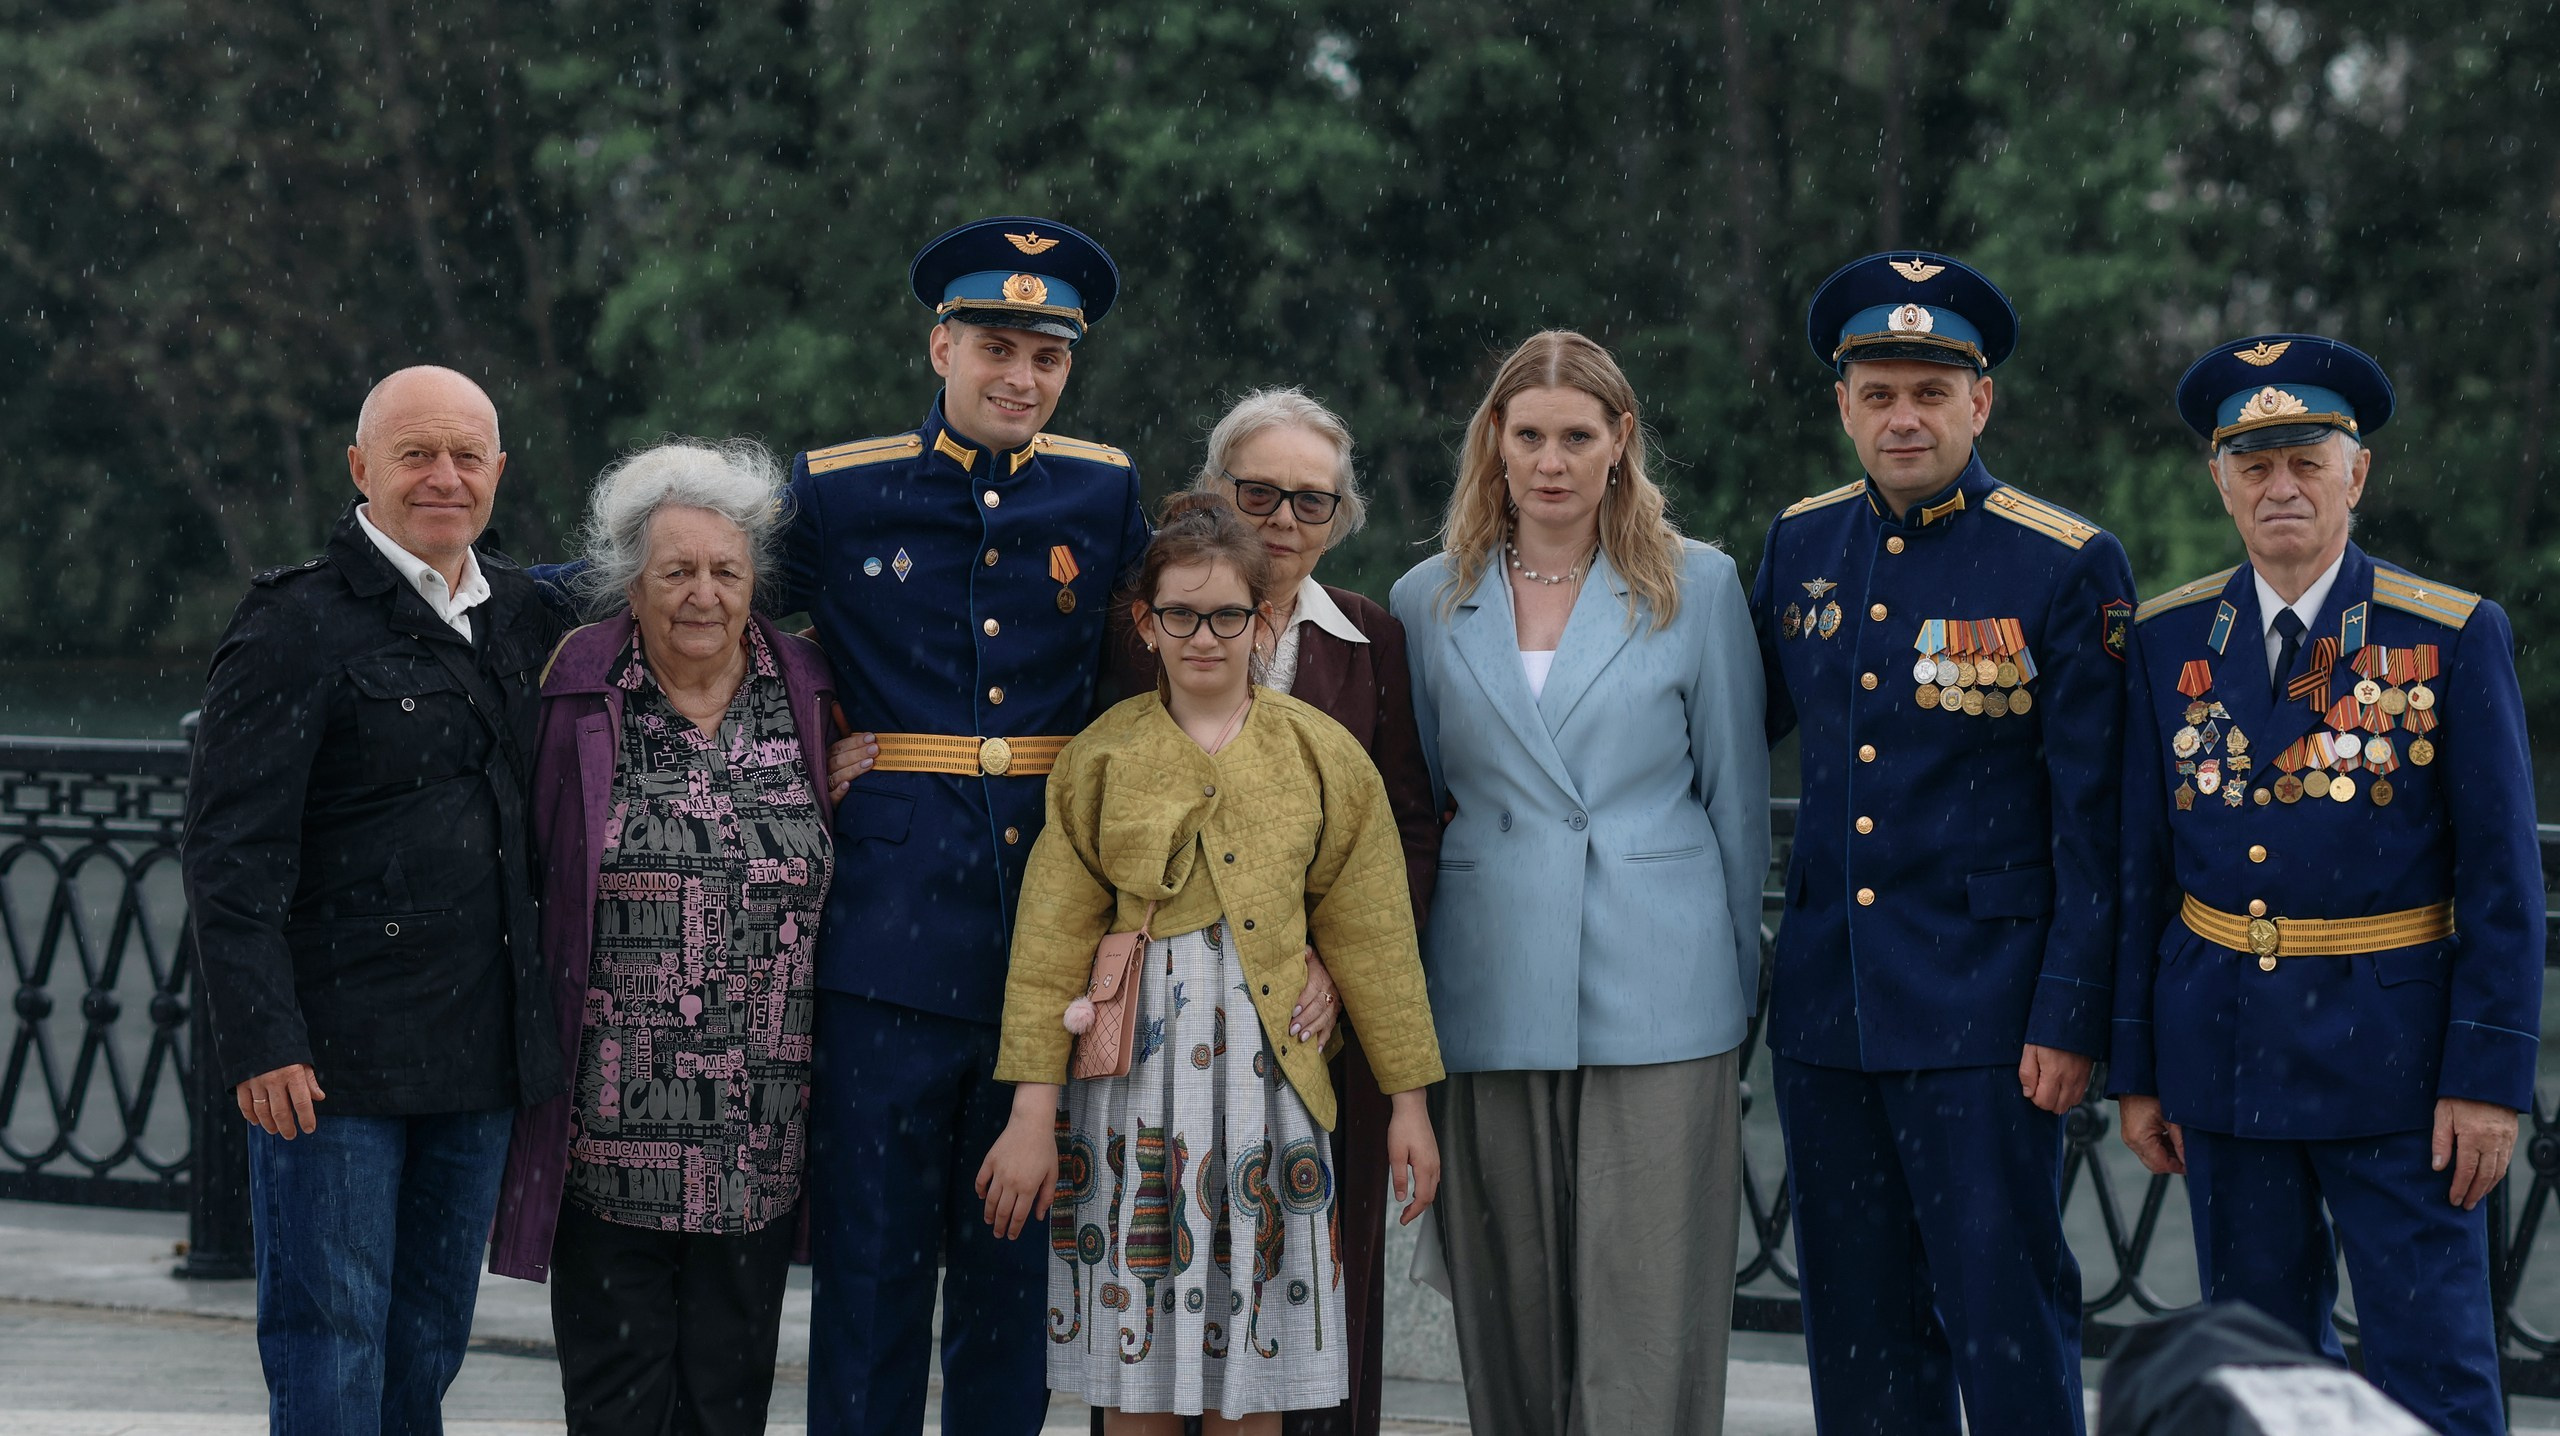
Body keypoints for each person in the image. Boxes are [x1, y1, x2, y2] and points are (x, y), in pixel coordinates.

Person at [2111, 334, 2543, 1436]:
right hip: (2225, 1055)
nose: (2280, 486)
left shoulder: (2444, 632)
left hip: (2397, 1070)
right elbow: (2140, 867)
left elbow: (2500, 877)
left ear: (2357, 472)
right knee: (2254, 1373)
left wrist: (2490, 1076)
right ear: (2218, 479)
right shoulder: (2165, 639)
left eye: (2307, 460)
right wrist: (2138, 1064)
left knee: (2433, 1366)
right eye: (2252, 464)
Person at [773, 216, 1154, 1436]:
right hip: (883, 934)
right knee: (872, 1274)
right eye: (995, 347)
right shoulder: (837, 490)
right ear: (940, 345)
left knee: (1012, 1285)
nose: (1020, 378)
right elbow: (737, 647)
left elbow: (1142, 683)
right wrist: (810, 733)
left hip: (1042, 932)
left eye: (1046, 359)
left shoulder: (1103, 492)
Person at [1752, 253, 2135, 1435]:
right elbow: (1717, 734)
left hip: (1988, 1014)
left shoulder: (2062, 561)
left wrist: (2069, 1016)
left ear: (1981, 401)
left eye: (1930, 389)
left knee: (2002, 1308)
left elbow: (2097, 821)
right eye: (1878, 392)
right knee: (1857, 1323)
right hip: (1829, 1005)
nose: (1903, 415)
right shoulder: (1800, 545)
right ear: (1843, 406)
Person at [983, 495, 1446, 1435]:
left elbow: (1376, 936)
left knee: (1254, 1381)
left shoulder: (1322, 755)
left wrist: (1408, 1106)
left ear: (1264, 622)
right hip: (1129, 1106)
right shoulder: (1099, 760)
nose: (1206, 636)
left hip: (1267, 1104)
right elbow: (1047, 951)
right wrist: (1033, 1110)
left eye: (1229, 615)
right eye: (1181, 615)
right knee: (1136, 1378)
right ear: (1146, 626)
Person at [1388, 329, 1769, 1435]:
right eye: (1529, 435)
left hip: (1662, 980)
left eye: (1577, 435)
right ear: (1494, 446)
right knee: (1507, 1314)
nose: (1551, 460)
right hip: (1488, 973)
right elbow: (1419, 802)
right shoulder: (1425, 598)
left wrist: (1731, 989)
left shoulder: (1696, 586)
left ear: (1620, 444)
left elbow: (1738, 805)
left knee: (1649, 1315)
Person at [181, 365, 566, 1434]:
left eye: (465, 455)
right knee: (329, 1336)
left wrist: (839, 734)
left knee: (428, 1340)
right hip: (330, 1060)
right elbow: (229, 853)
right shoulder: (292, 624)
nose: (443, 476)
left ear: (497, 471)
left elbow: (688, 619)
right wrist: (260, 1040)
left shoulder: (533, 615)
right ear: (360, 468)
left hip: (481, 1050)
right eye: (414, 454)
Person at [1098, 388, 1435, 1436]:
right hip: (1162, 1023)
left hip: (1311, 1025)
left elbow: (1406, 827)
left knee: (1314, 1286)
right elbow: (1088, 794)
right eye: (1258, 492)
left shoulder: (1372, 638)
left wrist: (1336, 963)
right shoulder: (1141, 623)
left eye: (1311, 500)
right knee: (1152, 1281)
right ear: (1212, 493)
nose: (1284, 520)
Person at [486, 440, 841, 1434]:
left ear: (754, 580)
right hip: (611, 1130)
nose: (702, 594)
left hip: (759, 1133)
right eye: (674, 570)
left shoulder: (808, 687)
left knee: (729, 1404)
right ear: (628, 580)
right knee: (614, 1402)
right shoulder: (573, 687)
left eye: (725, 571)